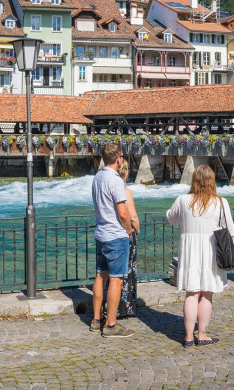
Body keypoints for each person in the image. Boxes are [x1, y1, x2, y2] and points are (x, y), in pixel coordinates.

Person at [166, 165, 234, 347]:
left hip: (190, 252)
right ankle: (202, 334)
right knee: (206, 294)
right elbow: (230, 230)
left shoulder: (183, 200)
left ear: (194, 180)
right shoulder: (220, 202)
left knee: (191, 293)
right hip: (211, 251)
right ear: (212, 181)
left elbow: (171, 218)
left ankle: (188, 337)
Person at [90, 143, 135, 338]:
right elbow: (123, 212)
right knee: (116, 279)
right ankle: (111, 325)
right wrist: (129, 229)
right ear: (119, 159)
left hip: (100, 233)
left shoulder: (97, 177)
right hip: (115, 235)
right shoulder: (115, 180)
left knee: (100, 276)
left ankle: (96, 319)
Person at [115, 158, 140, 318]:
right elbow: (133, 217)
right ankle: (126, 307)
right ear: (126, 173)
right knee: (126, 273)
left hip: (110, 234)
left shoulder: (108, 188)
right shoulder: (125, 192)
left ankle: (111, 307)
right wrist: (136, 230)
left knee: (113, 275)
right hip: (126, 235)